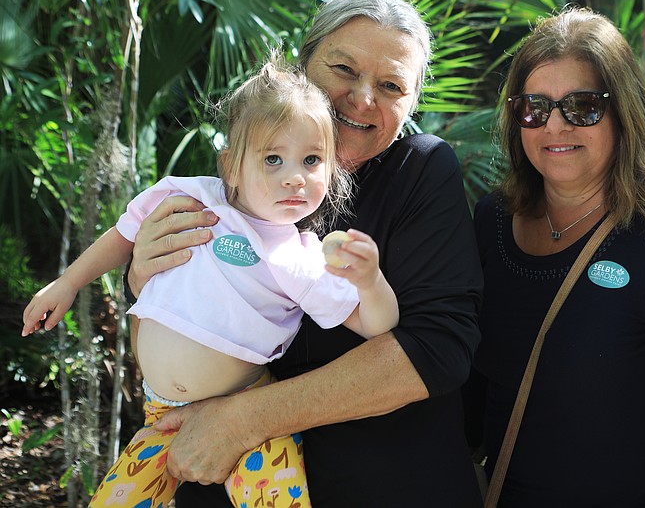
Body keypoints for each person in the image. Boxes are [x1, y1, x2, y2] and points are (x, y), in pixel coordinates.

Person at [123, 0, 485, 507]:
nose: (364, 98)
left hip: (382, 488)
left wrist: (244, 419)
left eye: (390, 85)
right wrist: (141, 275)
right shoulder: (248, 170)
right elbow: (165, 314)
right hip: (223, 480)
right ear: (303, 66)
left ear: (411, 103)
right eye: (344, 70)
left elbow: (437, 349)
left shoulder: (421, 170)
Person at [22, 60, 400, 508]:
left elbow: (377, 325)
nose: (294, 176)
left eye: (312, 160)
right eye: (273, 159)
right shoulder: (191, 197)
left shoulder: (301, 257)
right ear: (231, 166)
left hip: (246, 411)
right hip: (160, 412)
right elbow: (124, 235)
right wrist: (68, 283)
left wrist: (370, 280)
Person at [466, 6, 645, 507]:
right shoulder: (492, 222)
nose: (555, 125)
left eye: (582, 107)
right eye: (534, 107)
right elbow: (468, 397)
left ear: (625, 113)